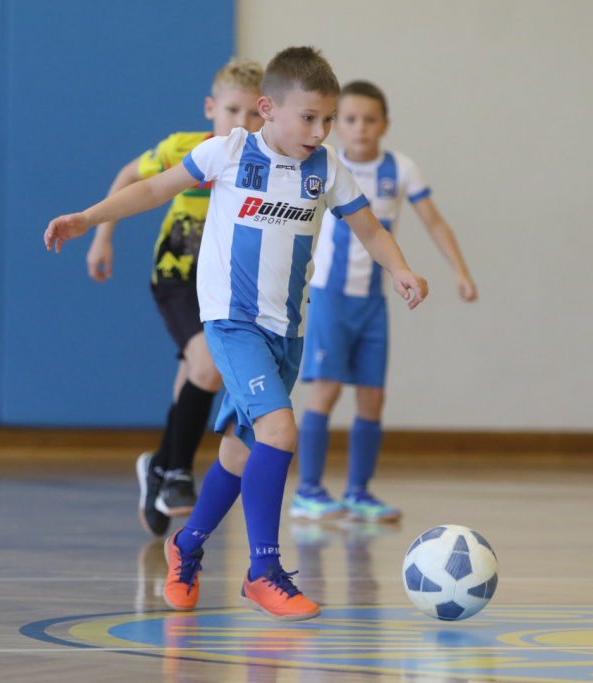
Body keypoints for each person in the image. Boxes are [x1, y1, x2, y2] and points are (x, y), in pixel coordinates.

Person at [44, 46, 428, 622]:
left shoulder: (327, 168)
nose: (320, 131)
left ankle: (186, 546)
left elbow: (369, 229)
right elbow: (153, 188)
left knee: (241, 452)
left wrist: (400, 269)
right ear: (268, 110)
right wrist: (90, 219)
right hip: (232, 323)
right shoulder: (227, 151)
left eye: (328, 119)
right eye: (309, 118)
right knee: (280, 430)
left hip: (287, 331)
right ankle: (263, 571)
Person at [85, 60, 264, 537]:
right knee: (207, 367)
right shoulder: (184, 149)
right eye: (232, 110)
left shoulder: (267, 162)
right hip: (179, 277)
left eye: (253, 113)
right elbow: (130, 177)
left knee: (194, 377)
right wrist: (102, 237)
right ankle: (179, 472)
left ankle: (160, 467)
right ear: (210, 108)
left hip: (227, 285)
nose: (241, 123)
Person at [291, 81, 477, 524]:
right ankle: (307, 491)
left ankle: (359, 491)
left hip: (373, 302)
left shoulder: (400, 168)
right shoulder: (325, 165)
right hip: (330, 298)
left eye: (370, 119)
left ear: (385, 125)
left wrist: (460, 270)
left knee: (373, 397)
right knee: (327, 389)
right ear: (337, 125)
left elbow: (434, 222)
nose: (360, 128)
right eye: (350, 119)